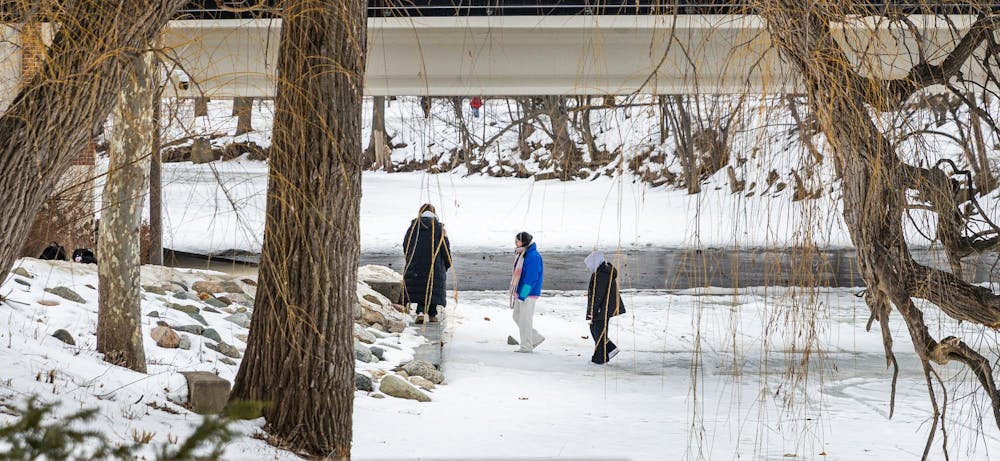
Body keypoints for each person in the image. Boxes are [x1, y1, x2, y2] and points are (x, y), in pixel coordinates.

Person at [403, 203, 452, 324]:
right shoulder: (439, 228)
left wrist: (409, 259)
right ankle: (432, 314)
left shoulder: (414, 227)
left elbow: (406, 244)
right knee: (432, 287)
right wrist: (447, 262)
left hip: (416, 265)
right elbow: (445, 247)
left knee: (421, 288)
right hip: (435, 265)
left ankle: (420, 312)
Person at [585, 251, 625, 364]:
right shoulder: (603, 271)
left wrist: (592, 311)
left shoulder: (601, 274)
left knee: (598, 331)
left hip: (603, 307)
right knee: (596, 330)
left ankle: (600, 358)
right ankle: (610, 349)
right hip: (605, 307)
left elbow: (598, 295)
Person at [509, 231, 545, 352]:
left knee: (525, 319)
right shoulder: (523, 253)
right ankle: (534, 338)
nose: (515, 243)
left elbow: (531, 278)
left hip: (528, 293)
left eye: (517, 241)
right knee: (517, 316)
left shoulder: (532, 256)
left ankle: (526, 346)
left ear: (523, 242)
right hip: (522, 292)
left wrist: (523, 294)